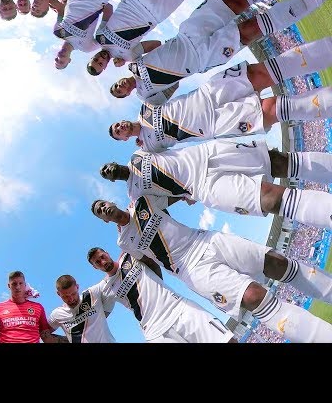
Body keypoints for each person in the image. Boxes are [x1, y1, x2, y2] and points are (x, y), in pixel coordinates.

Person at [91, 198, 332, 342]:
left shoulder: (143, 200)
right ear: (103, 220)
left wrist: (186, 195)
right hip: (191, 268)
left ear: (111, 201)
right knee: (253, 297)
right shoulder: (124, 244)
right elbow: (150, 266)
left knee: (276, 261)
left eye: (103, 204)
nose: (104, 208)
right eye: (100, 211)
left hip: (206, 239)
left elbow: (178, 188)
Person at [110, 0, 332, 104]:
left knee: (236, 0)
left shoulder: (131, 61)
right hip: (200, 59)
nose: (121, 87)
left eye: (117, 85)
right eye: (120, 92)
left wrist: (130, 54)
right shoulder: (145, 96)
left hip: (187, 35)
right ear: (126, 95)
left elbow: (155, 42)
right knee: (251, 29)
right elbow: (172, 89)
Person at [109, 36, 332, 152]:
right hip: (214, 124)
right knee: (273, 109)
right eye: (119, 132)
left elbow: (171, 85)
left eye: (117, 124)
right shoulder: (148, 147)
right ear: (124, 139)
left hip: (207, 94)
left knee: (263, 72)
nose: (121, 127)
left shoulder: (145, 104)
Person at [100, 136, 332, 230]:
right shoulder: (135, 195)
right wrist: (181, 196)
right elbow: (161, 204)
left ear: (112, 161)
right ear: (111, 180)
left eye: (106, 166)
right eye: (105, 174)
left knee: (277, 161)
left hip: (205, 154)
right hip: (201, 187)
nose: (107, 170)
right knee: (269, 199)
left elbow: (164, 137)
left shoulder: (139, 153)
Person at [86, 247, 236, 343]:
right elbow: (97, 319)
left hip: (179, 309)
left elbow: (152, 262)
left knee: (227, 341)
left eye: (102, 256)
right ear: (95, 267)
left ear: (106, 252)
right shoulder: (105, 289)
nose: (102, 261)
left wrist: (158, 284)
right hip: (155, 332)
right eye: (98, 262)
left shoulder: (129, 255)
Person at [87, 0, 194, 75]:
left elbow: (108, 8)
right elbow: (155, 44)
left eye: (96, 59)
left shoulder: (98, 36)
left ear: (92, 57)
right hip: (154, 12)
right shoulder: (127, 57)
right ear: (105, 67)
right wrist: (133, 60)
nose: (100, 58)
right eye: (100, 63)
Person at [52, 0, 120, 69]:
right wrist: (103, 4)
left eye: (56, 59)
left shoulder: (57, 31)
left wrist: (65, 1)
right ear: (69, 60)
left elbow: (61, 9)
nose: (59, 58)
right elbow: (106, 43)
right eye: (61, 61)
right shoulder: (87, 47)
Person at [0, 270, 60, 343]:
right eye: (14, 284)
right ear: (9, 286)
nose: (17, 287)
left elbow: (45, 335)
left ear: (25, 285)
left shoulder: (38, 307)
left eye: (20, 283)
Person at [47, 274, 115, 343]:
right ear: (58, 294)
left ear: (77, 287)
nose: (71, 299)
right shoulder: (57, 314)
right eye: (66, 296)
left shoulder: (92, 294)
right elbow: (42, 332)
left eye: (73, 294)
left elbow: (113, 276)